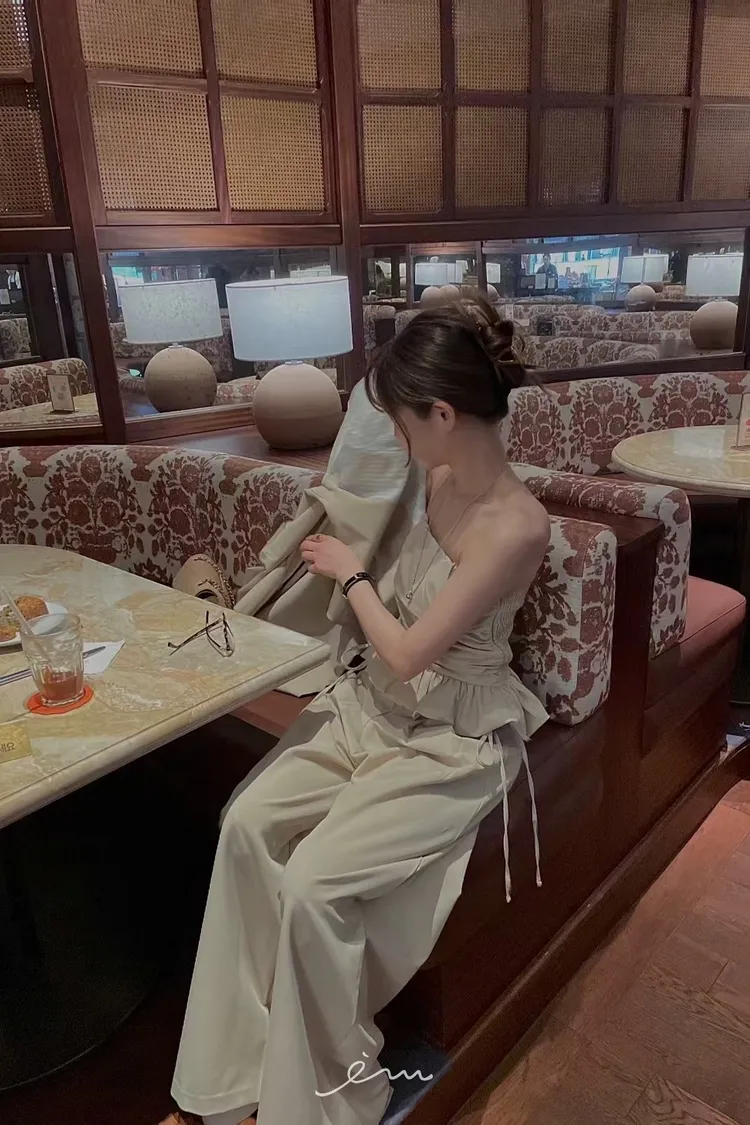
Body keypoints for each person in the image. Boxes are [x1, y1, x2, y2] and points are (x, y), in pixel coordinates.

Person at [168, 296, 550, 1125]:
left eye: (403, 421)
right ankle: (234, 1070)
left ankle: (338, 1092)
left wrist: (350, 572)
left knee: (313, 883)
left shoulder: (517, 526)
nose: (397, 438)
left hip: (452, 734)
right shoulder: (437, 472)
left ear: (442, 414)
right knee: (245, 824)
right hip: (372, 702)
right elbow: (362, 478)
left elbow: (414, 651)